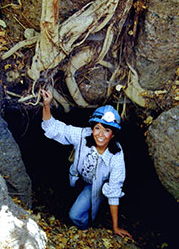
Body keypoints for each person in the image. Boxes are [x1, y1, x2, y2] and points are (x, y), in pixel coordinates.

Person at [41, 89, 132, 238]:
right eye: (97, 128)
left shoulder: (116, 155)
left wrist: (115, 227)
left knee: (75, 215)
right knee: (64, 199)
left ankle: (85, 230)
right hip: (76, 177)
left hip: (94, 186)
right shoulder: (83, 135)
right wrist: (46, 105)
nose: (100, 134)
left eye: (106, 130)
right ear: (92, 128)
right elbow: (54, 128)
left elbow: (114, 190)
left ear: (113, 134)